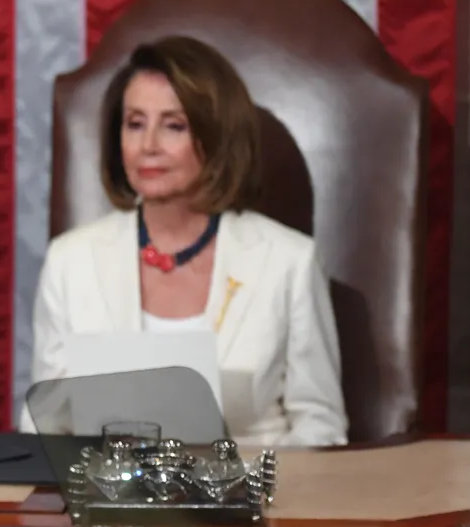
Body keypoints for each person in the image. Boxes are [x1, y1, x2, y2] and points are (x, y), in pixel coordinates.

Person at [23, 36, 347, 447]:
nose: (148, 146)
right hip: (109, 502)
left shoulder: (289, 261)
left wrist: (255, 491)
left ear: (216, 138)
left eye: (173, 125)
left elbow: (321, 426)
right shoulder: (70, 261)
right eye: (134, 124)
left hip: (255, 501)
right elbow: (44, 427)